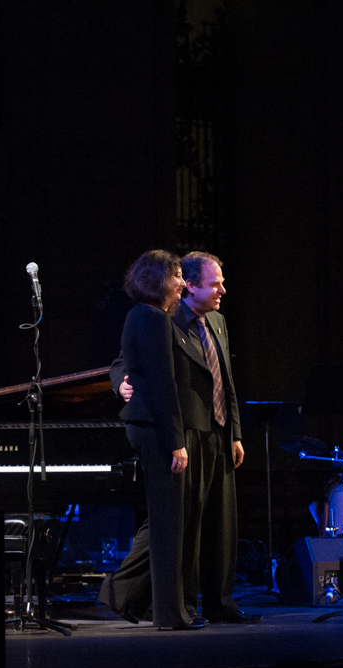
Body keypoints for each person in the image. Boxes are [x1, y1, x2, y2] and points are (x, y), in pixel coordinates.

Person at [100, 252, 261, 625]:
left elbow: (226, 380)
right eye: (215, 283)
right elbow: (129, 363)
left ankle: (218, 603)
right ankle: (171, 604)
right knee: (179, 520)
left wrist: (234, 432)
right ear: (189, 284)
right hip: (184, 429)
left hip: (217, 429)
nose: (223, 289)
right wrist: (120, 384)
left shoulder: (217, 321)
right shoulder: (163, 317)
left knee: (218, 523)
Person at [111, 250, 201, 630]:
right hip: (155, 427)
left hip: (149, 424)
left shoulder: (145, 316)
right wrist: (177, 441)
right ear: (157, 279)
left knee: (168, 521)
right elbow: (165, 385)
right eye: (178, 274)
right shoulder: (151, 317)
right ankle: (168, 613)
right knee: (167, 524)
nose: (183, 282)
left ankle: (165, 609)